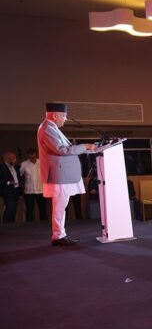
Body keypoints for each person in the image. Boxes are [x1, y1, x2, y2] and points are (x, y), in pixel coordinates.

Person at [36, 103, 96, 245]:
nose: (66, 119)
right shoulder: (47, 128)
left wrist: (88, 149)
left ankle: (60, 235)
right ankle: (58, 236)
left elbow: (65, 149)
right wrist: (85, 146)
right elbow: (61, 150)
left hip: (62, 174)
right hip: (59, 175)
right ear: (55, 115)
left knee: (61, 206)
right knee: (59, 207)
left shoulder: (51, 127)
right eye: (64, 116)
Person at [19, 149, 47, 221]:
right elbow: (20, 175)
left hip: (40, 190)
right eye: (30, 157)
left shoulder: (41, 162)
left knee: (42, 208)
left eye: (33, 157)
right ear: (28, 156)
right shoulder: (24, 164)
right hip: (29, 191)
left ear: (36, 155)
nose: (32, 158)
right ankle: (29, 224)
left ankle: (44, 223)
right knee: (29, 209)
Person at [1, 151, 22, 224]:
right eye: (13, 158)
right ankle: (6, 225)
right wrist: (9, 182)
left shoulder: (16, 167)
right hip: (8, 191)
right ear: (7, 158)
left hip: (16, 190)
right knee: (10, 207)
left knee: (14, 209)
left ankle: (12, 225)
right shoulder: (1, 167)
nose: (15, 160)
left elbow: (19, 177)